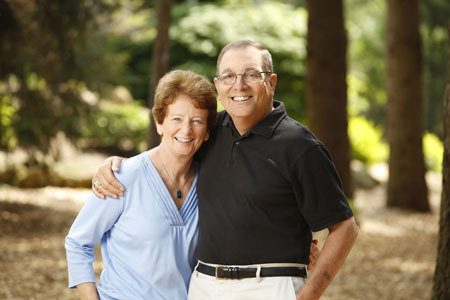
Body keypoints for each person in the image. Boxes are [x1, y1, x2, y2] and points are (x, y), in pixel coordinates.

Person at [93, 40, 358, 300]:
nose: (239, 85)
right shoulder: (208, 131)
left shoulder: (300, 146)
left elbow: (345, 228)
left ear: (272, 82)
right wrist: (118, 166)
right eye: (228, 76)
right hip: (204, 287)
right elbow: (169, 152)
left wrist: (309, 295)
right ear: (218, 85)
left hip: (270, 287)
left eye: (251, 74)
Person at [65, 70, 218, 300]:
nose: (186, 130)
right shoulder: (122, 176)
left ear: (207, 132)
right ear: (159, 123)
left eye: (197, 121)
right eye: (176, 119)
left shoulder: (209, 183)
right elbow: (78, 243)